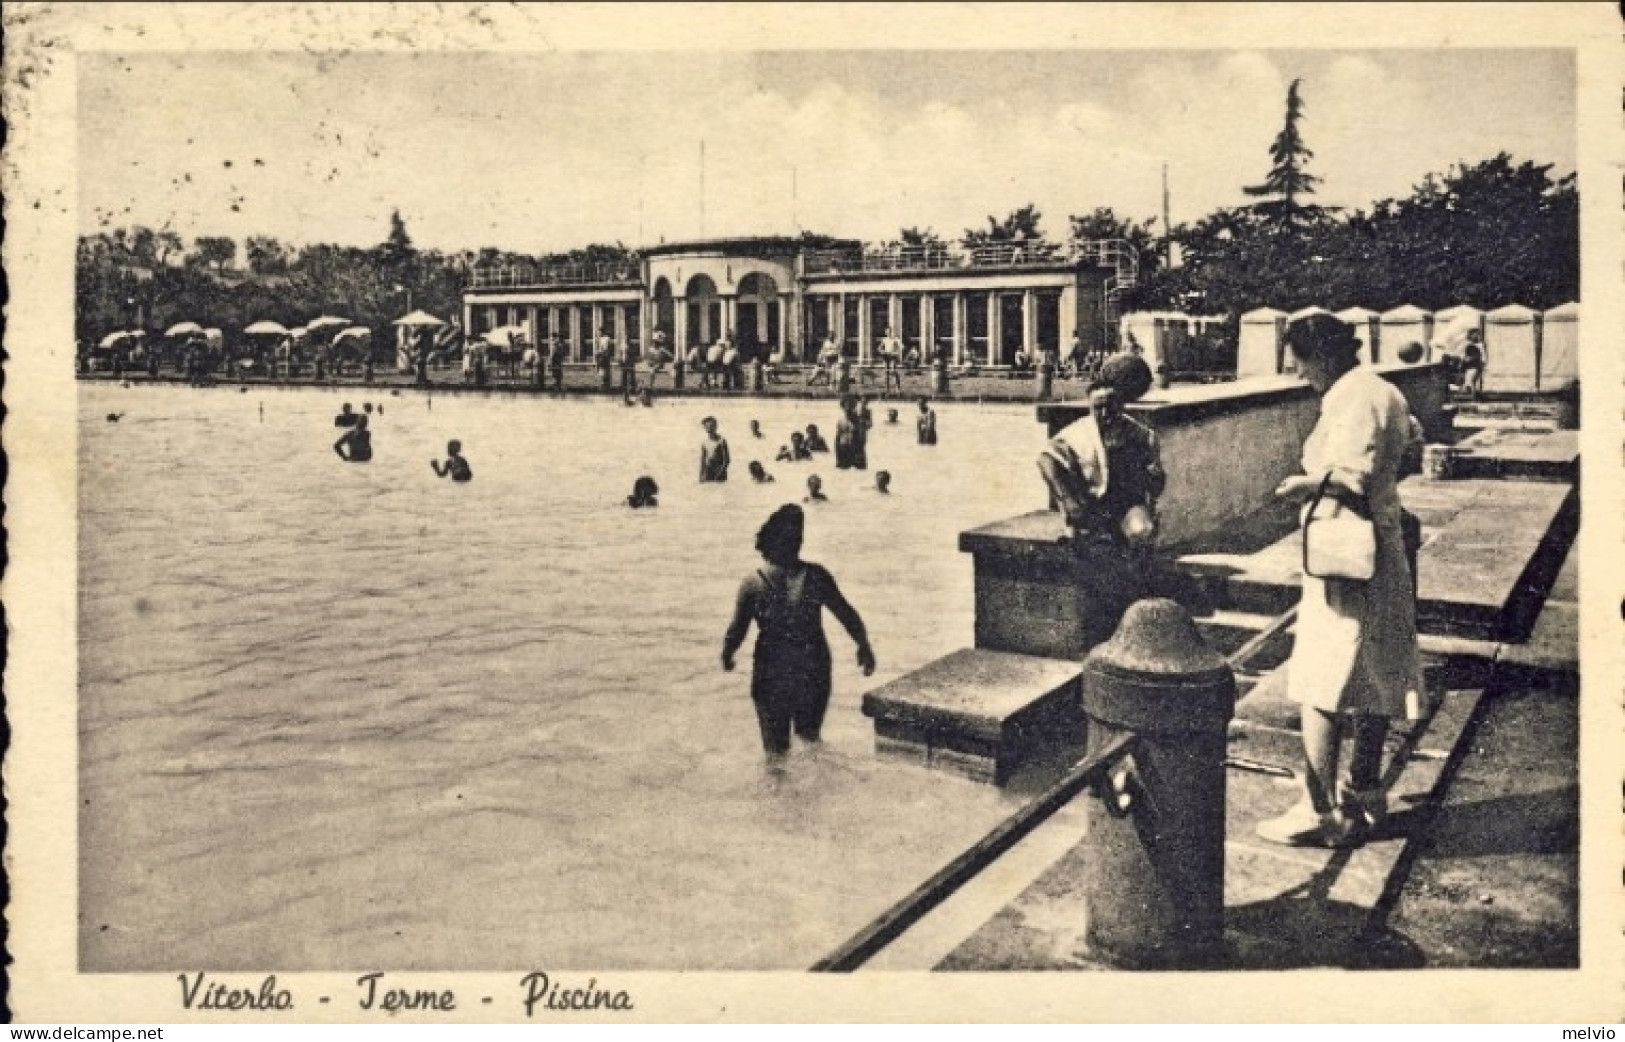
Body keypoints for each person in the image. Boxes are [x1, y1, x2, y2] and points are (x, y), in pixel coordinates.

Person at [1255, 313, 1426, 849]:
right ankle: (1366, 791)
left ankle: (1317, 808)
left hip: (1347, 554)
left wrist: (1302, 485)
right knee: (1376, 671)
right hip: (1379, 547)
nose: (1299, 372)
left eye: (1301, 361)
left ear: (1323, 355)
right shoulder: (1383, 392)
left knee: (1320, 678)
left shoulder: (1353, 397)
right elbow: (1411, 446)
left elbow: (1353, 475)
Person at [721, 504, 876, 765]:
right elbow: (846, 613)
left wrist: (728, 653)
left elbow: (737, 629)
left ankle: (779, 804)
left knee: (775, 754)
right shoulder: (816, 576)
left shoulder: (753, 582)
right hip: (812, 663)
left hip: (772, 667)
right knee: (810, 740)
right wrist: (863, 645)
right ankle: (813, 801)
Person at [834, 396, 868, 471]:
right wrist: (837, 456)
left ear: (854, 406)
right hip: (843, 451)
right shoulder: (840, 421)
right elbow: (837, 439)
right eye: (846, 406)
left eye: (850, 406)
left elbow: (863, 439)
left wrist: (858, 453)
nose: (848, 408)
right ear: (842, 407)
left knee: (860, 474)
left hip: (856, 451)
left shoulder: (859, 421)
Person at [699, 416, 730, 482]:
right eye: (707, 427)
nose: (709, 428)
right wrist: (701, 476)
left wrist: (720, 472)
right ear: (705, 428)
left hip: (719, 472)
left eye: (711, 426)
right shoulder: (704, 442)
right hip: (708, 472)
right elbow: (703, 460)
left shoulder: (721, 441)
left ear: (715, 427)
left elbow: (726, 460)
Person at [1459, 329, 1486, 397]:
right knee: (1466, 380)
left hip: (1475, 365)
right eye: (1474, 334)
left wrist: (1481, 363)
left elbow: (1482, 356)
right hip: (1468, 365)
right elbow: (1463, 355)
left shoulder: (1480, 345)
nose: (1476, 336)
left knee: (1471, 379)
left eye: (1477, 334)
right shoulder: (1467, 345)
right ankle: (1467, 394)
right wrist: (1464, 360)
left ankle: (1472, 395)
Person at [878, 328, 904, 394]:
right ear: (885, 333)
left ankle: (898, 388)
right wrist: (882, 351)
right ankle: (887, 389)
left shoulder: (895, 339)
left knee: (893, 370)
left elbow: (902, 347)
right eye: (887, 332)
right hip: (887, 356)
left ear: (891, 332)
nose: (888, 333)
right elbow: (879, 348)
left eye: (889, 332)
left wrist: (897, 352)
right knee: (887, 372)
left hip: (893, 356)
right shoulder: (884, 339)